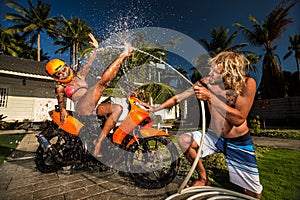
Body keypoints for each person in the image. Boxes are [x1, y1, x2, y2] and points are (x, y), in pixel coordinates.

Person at [150, 51, 263, 199]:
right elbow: (179, 97)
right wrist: (155, 109)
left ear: (228, 72)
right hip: (213, 136)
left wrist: (210, 96)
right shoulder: (207, 82)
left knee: (253, 194)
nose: (209, 73)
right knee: (185, 140)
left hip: (237, 141)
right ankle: (203, 178)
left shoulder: (247, 84)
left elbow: (239, 118)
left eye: (215, 71)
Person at [45, 33, 132, 158]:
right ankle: (123, 56)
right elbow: (60, 98)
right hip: (81, 108)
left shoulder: (80, 76)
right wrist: (63, 109)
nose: (63, 74)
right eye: (58, 74)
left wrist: (95, 49)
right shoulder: (61, 86)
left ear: (66, 66)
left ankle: (99, 141)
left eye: (63, 70)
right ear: (56, 78)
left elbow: (89, 64)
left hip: (92, 107)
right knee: (100, 85)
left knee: (117, 108)